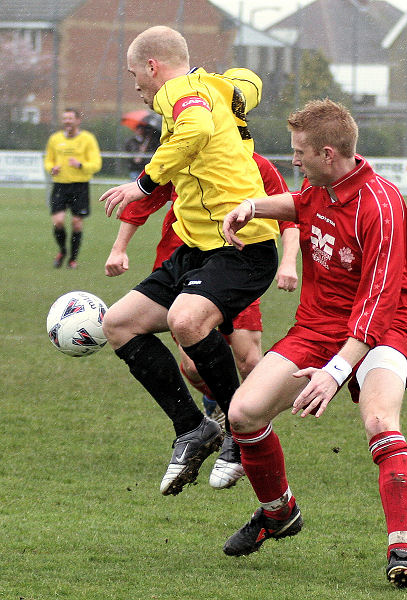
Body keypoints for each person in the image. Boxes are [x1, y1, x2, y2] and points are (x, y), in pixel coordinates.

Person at [221, 99, 407, 589]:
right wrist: (253, 207)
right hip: (318, 326)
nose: (293, 160)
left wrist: (335, 373)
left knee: (379, 420)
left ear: (328, 153)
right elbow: (300, 203)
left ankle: (403, 548)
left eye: (299, 152)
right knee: (243, 414)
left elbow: (377, 302)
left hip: (387, 327)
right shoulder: (321, 184)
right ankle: (278, 512)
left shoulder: (381, 203)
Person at [99, 26, 280, 497]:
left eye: (135, 72)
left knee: (186, 320)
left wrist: (141, 182)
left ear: (153, 67)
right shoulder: (215, 86)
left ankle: (243, 429)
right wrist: (230, 92)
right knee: (117, 324)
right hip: (195, 249)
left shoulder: (181, 92)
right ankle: (194, 428)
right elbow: (251, 82)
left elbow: (196, 129)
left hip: (242, 246)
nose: (135, 82)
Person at [104, 154, 300, 488]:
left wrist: (288, 263)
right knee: (187, 362)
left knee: (249, 358)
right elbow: (143, 198)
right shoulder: (180, 150)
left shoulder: (254, 164)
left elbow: (290, 212)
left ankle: (245, 429)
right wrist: (119, 247)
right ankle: (202, 423)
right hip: (184, 263)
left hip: (235, 263)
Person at [44, 108, 102, 269]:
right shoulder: (55, 139)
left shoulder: (87, 139)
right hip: (60, 186)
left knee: (77, 223)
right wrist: (51, 168)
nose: (67, 121)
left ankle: (73, 259)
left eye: (70, 118)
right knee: (58, 222)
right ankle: (62, 250)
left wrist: (80, 165)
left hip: (79, 186)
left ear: (78, 120)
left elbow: (96, 164)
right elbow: (48, 160)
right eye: (65, 118)